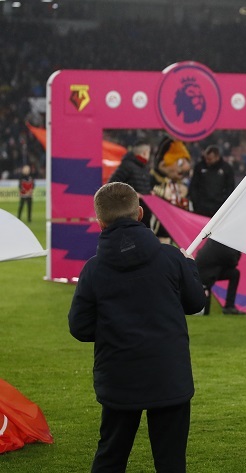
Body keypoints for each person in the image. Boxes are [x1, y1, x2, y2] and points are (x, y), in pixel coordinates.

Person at [68, 182, 206, 473]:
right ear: (140, 213)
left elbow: (79, 327)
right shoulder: (170, 258)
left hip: (119, 376)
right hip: (167, 374)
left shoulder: (94, 269)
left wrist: (113, 329)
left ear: (100, 221)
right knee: (170, 462)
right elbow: (195, 303)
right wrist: (189, 265)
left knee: (111, 457)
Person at [195, 239, 245, 315]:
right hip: (204, 275)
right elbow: (233, 261)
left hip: (209, 271)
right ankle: (229, 307)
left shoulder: (218, 239)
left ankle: (229, 306)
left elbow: (231, 260)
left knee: (234, 273)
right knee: (234, 273)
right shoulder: (225, 244)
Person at [109, 140, 153, 226]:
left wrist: (149, 193)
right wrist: (131, 194)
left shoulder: (144, 168)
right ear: (144, 153)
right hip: (131, 214)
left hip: (144, 214)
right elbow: (112, 185)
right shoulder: (127, 166)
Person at [188, 145, 236, 217]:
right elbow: (193, 186)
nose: (207, 161)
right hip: (202, 207)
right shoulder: (199, 167)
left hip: (219, 207)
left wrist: (224, 202)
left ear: (217, 157)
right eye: (206, 158)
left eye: (210, 159)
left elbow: (230, 187)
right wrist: (196, 202)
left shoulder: (226, 168)